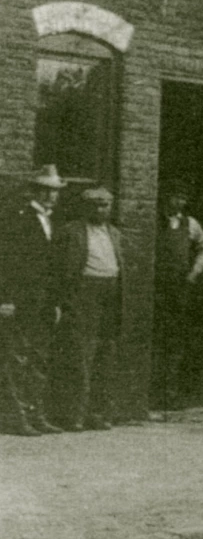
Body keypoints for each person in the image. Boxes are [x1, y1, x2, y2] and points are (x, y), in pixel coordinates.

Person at [49, 187, 125, 431]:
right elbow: (58, 269)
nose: (100, 210)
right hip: (83, 294)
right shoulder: (71, 232)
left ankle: (98, 413)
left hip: (110, 294)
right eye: (95, 205)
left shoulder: (114, 233)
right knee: (80, 354)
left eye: (105, 205)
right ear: (85, 207)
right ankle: (74, 415)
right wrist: (63, 300)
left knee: (105, 352)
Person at [0, 165, 67, 436]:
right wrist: (5, 298)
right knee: (17, 357)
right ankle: (15, 418)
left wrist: (55, 302)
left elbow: (52, 268)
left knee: (39, 357)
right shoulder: (17, 219)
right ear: (34, 191)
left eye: (55, 192)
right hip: (20, 300)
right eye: (46, 191)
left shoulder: (52, 221)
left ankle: (35, 413)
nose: (51, 196)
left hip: (42, 301)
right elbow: (6, 261)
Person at [153, 179, 203, 409]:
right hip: (156, 288)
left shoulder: (190, 224)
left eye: (183, 198)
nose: (179, 202)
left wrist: (194, 271)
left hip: (179, 289)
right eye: (175, 197)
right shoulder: (154, 220)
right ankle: (153, 393)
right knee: (156, 339)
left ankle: (170, 393)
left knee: (175, 339)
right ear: (166, 198)